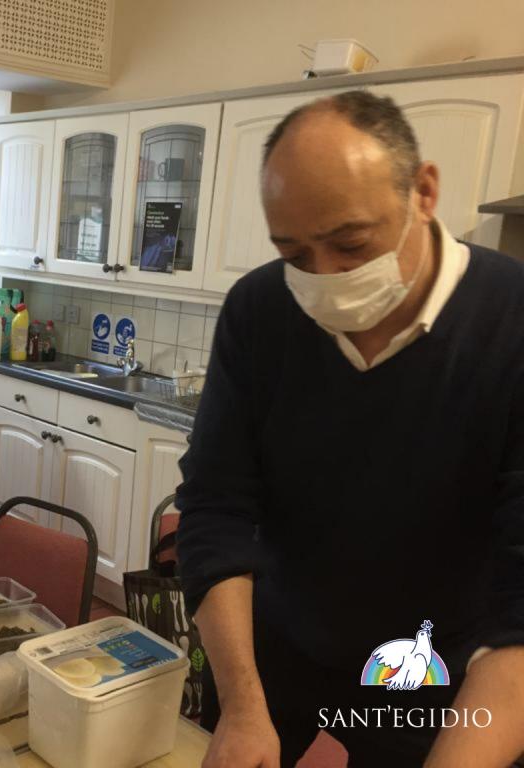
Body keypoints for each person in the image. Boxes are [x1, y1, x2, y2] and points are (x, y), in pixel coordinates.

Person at [176, 91, 524, 767]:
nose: (326, 278)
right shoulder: (259, 310)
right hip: (273, 650)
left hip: (432, 672)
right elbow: (216, 510)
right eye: (294, 253)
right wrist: (244, 707)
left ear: (424, 192)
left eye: (350, 243)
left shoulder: (513, 324)